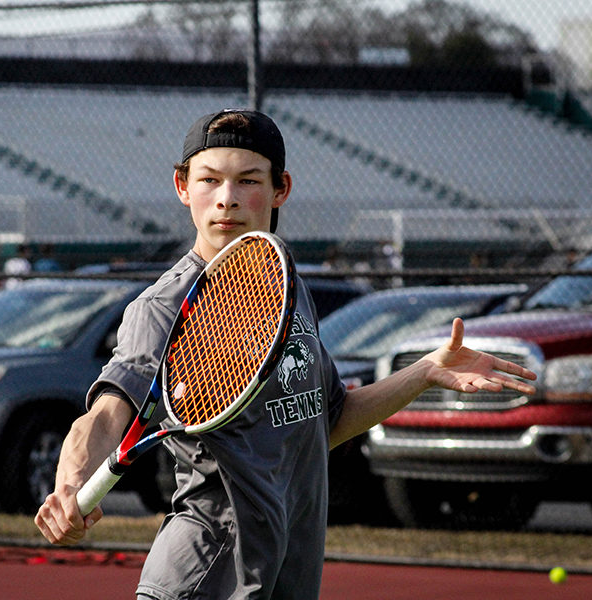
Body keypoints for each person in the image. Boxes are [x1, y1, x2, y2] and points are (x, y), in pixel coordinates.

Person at [34, 110, 537, 600]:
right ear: (183, 187)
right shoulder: (163, 308)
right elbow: (103, 417)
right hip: (205, 575)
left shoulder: (285, 287)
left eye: (247, 180)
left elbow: (328, 419)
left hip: (286, 572)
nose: (226, 200)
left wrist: (426, 371)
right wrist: (70, 485)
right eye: (209, 180)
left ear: (281, 189)